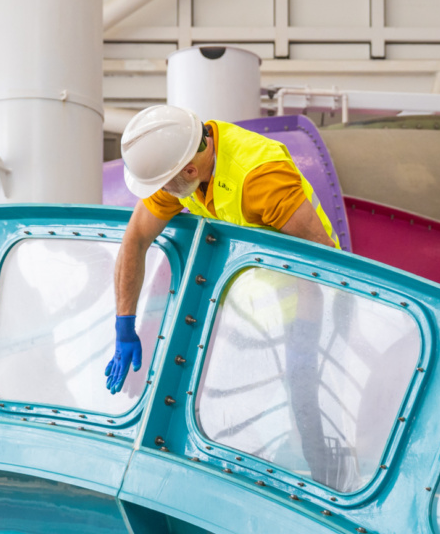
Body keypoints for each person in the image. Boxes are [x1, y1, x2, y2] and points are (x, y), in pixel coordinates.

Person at [104, 104, 340, 393]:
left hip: (303, 309)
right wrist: (124, 323)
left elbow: (322, 260)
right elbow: (136, 238)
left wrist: (305, 339)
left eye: (163, 186)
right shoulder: (182, 163)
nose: (162, 193)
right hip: (245, 312)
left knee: (302, 400)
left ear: (190, 170)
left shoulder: (260, 177)